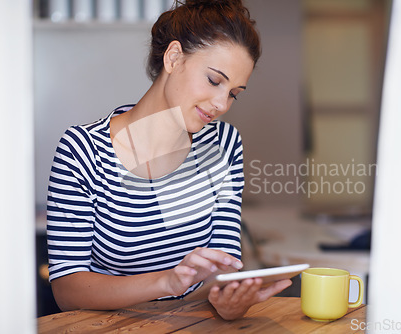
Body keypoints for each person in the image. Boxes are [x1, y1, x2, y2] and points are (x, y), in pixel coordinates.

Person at [46, 0, 291, 320]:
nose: (221, 104)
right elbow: (67, 289)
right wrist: (167, 282)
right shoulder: (82, 151)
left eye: (233, 93)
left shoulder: (224, 145)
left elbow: (222, 264)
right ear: (174, 57)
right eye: (214, 80)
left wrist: (227, 300)